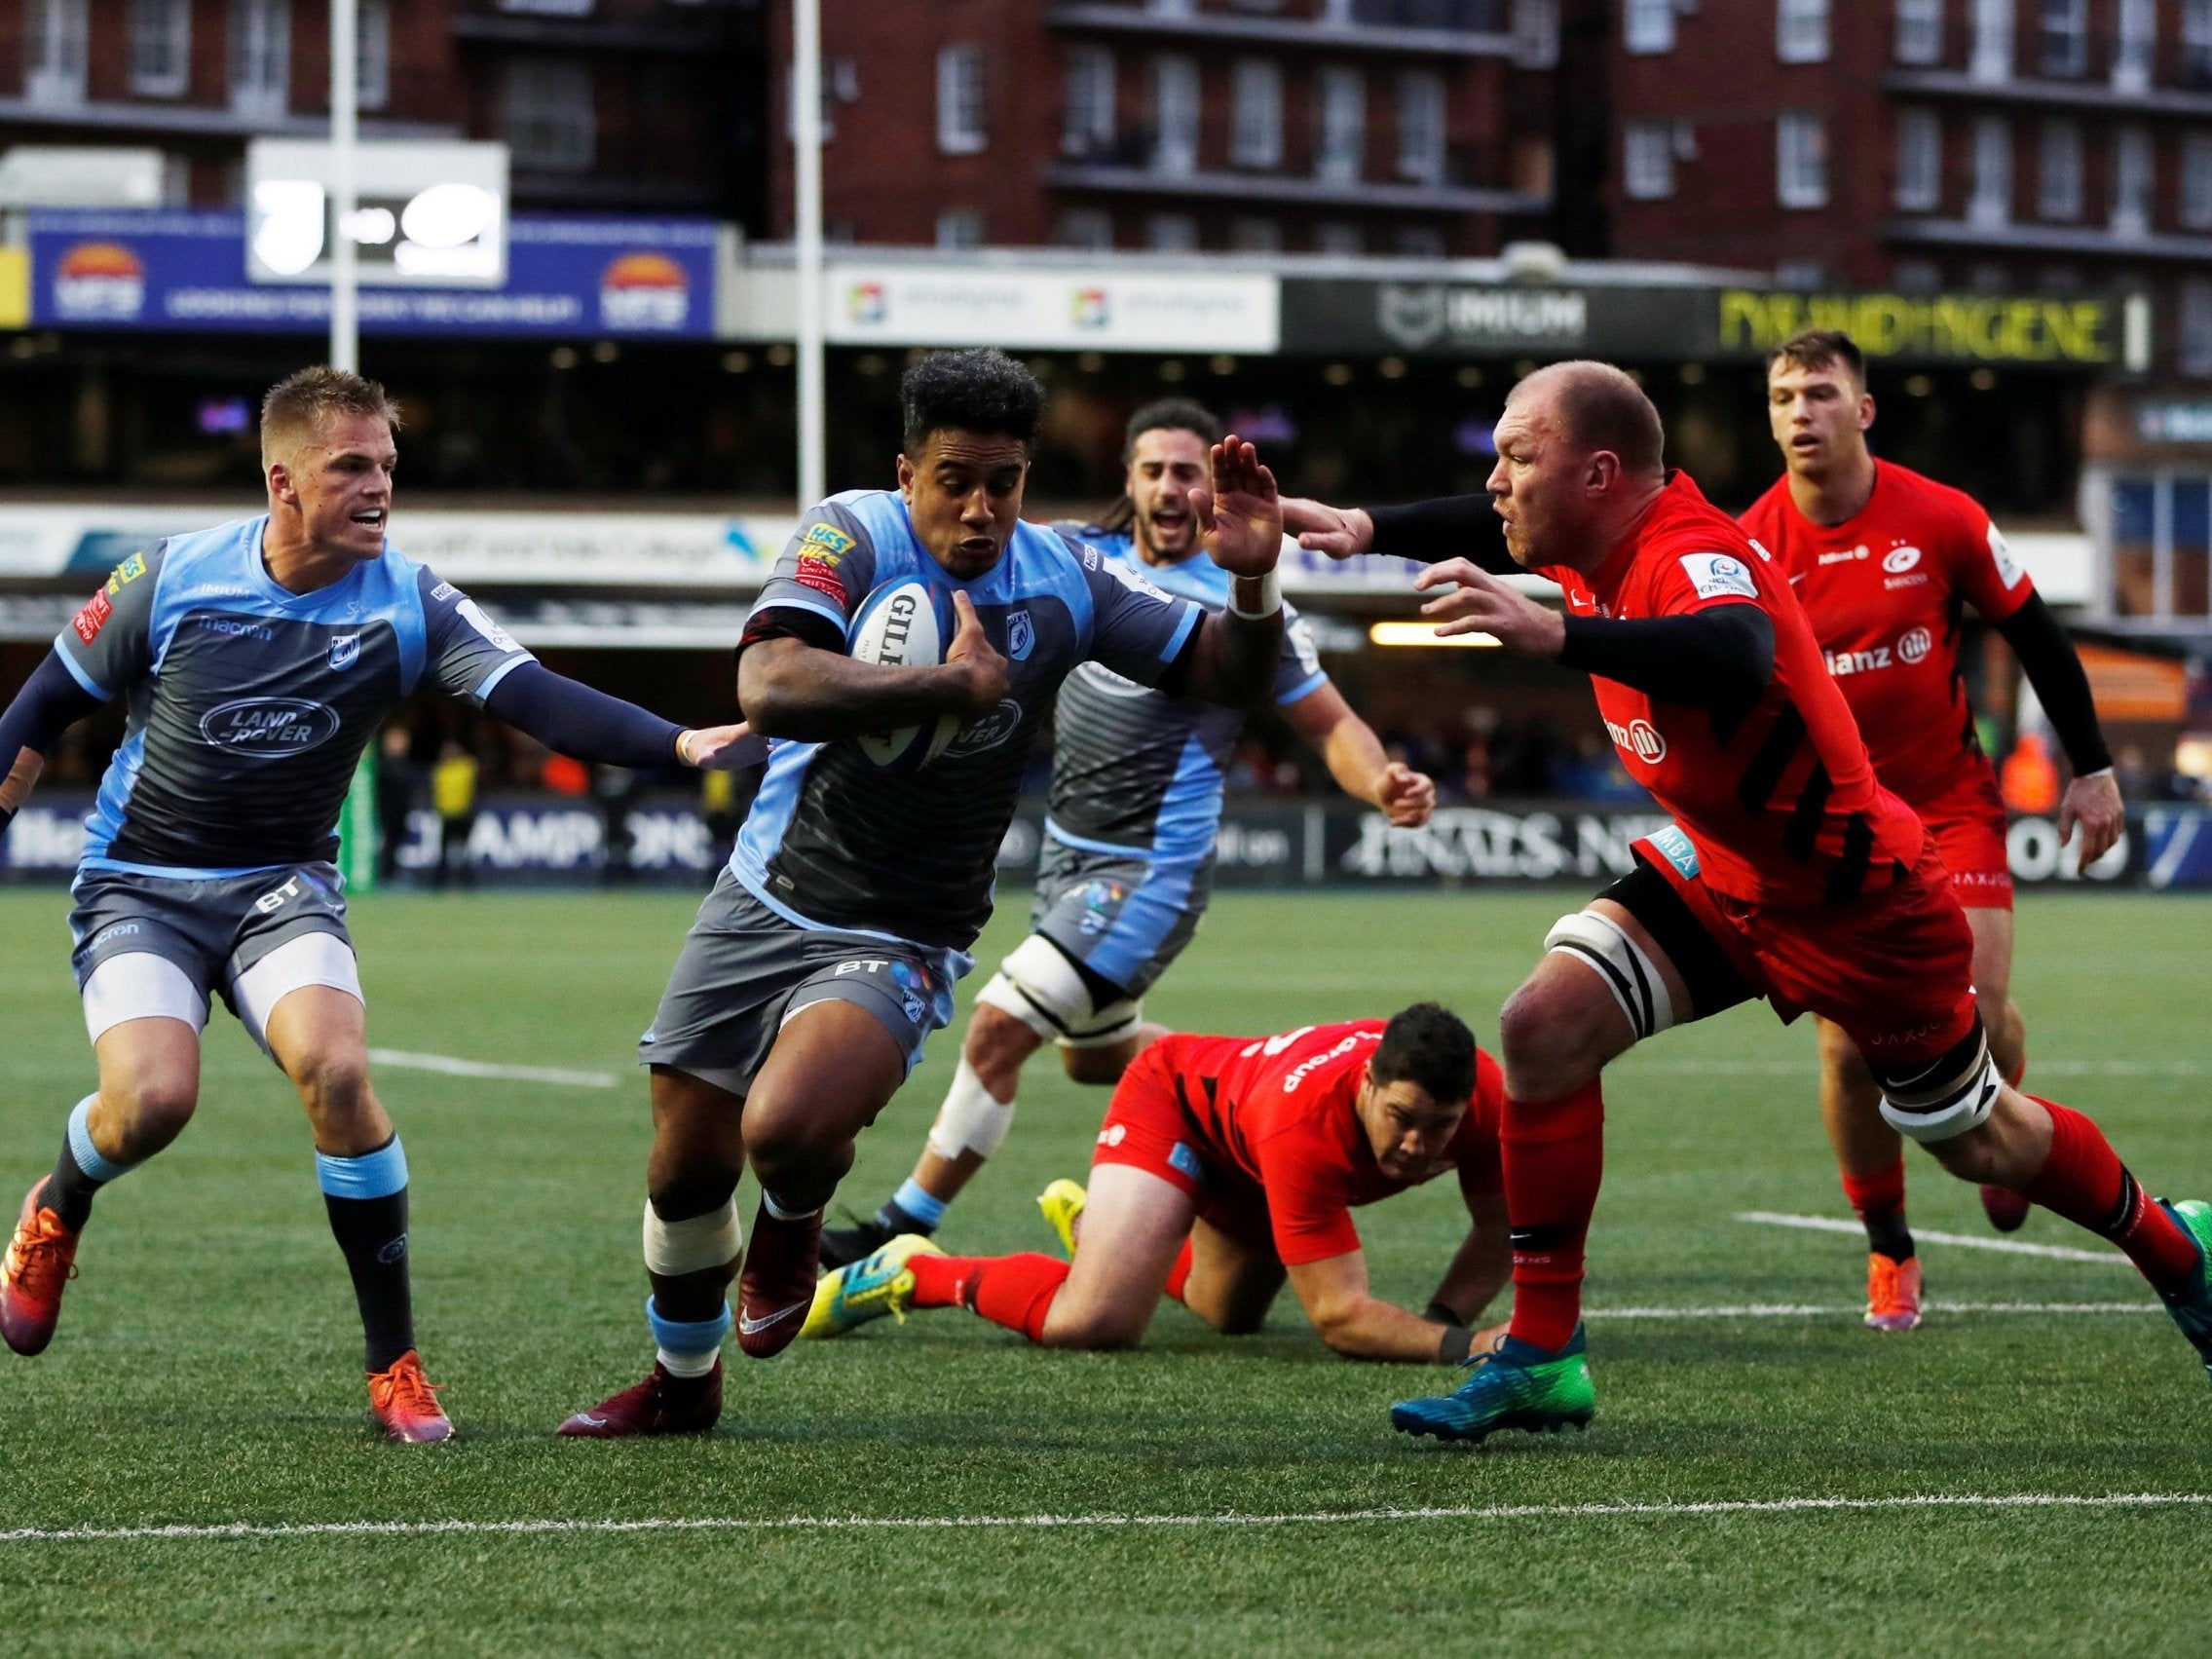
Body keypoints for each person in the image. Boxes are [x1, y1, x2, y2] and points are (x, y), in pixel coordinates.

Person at [1280, 360, 2212, 1444]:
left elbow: (1734, 649)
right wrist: (1360, 524)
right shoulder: (1582, 533)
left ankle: (2175, 1243)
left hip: (1857, 899)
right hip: (1727, 869)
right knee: (1544, 1022)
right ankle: (1541, 1353)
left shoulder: (1694, 551)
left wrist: (1555, 635)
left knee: (1981, 1139)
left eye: (1515, 459)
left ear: (1599, 473)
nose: (1495, 483)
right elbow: (1498, 529)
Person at [0, 366, 749, 1443]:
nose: (379, 487)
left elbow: (534, 694)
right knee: (152, 1103)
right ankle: (58, 1202)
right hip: (141, 885)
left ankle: (392, 1359)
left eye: (388, 465)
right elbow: (34, 717)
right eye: (351, 465)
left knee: (339, 1072)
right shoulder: (167, 579)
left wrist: (678, 740)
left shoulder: (408, 597)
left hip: (279, 886)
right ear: (283, 481)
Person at [558, 349, 1291, 1437]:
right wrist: (950, 684)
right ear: (907, 472)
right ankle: (682, 1382)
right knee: (683, 1167)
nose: (982, 508)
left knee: (789, 1123)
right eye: (956, 479)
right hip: (767, 889)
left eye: (1005, 481)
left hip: (907, 921)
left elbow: (1234, 672)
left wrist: (1254, 577)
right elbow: (768, 682)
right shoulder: (852, 534)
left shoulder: (1067, 581)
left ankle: (798, 1215)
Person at [820, 399, 1435, 1270]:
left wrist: (1382, 780)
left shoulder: (1245, 610)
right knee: (1095, 1059)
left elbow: (1329, 725)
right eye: (1154, 470)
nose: (1171, 487)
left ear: (1212, 486)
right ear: (1130, 481)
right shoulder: (1078, 558)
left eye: (1189, 471)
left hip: (1148, 872)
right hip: (1069, 861)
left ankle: (898, 1225)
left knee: (999, 1026)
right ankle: (1268, 1091)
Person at [1743, 329, 2124, 1330]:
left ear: (1863, 410)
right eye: (1784, 396)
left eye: (1820, 393)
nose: (1800, 412)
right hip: (1833, 829)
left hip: (1949, 806)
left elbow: (2039, 636)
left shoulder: (1943, 516)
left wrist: (2091, 769)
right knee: (1847, 1053)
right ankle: (1891, 1249)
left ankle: (2009, 1098)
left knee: (1978, 1011)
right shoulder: (1750, 547)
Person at [805, 1003, 1509, 1362]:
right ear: (1367, 1083)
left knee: (1227, 1313)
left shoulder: (1485, 1100)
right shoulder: (1307, 1126)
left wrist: (1444, 1317)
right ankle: (914, 1269)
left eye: (1439, 1126)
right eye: (1400, 1118)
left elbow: (1503, 1223)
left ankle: (1104, 1232)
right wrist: (1467, 1347)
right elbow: (1338, 1316)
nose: (1417, 1145)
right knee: (1094, 1321)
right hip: (1172, 1102)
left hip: (1247, 1150)